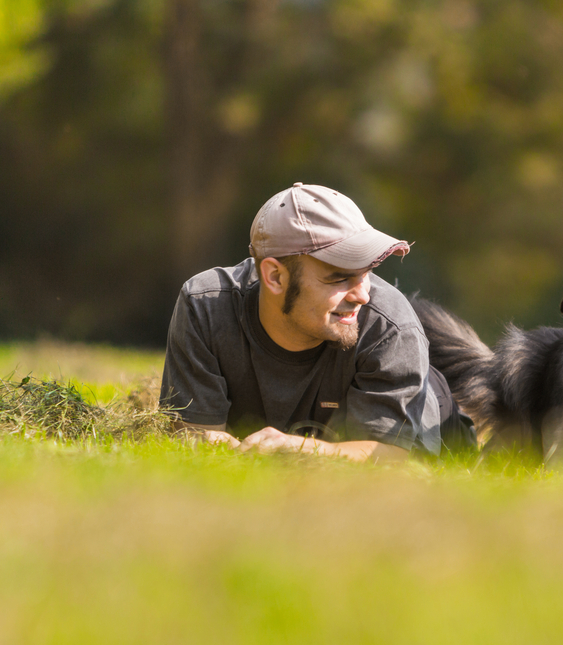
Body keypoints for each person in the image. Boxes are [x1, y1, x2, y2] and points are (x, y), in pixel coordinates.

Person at [159, 182, 470, 462]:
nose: (362, 295)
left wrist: (298, 449)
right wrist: (210, 444)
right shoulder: (206, 307)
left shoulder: (390, 327)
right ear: (275, 276)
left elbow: (389, 460)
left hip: (434, 426)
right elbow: (193, 440)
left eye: (366, 273)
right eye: (339, 278)